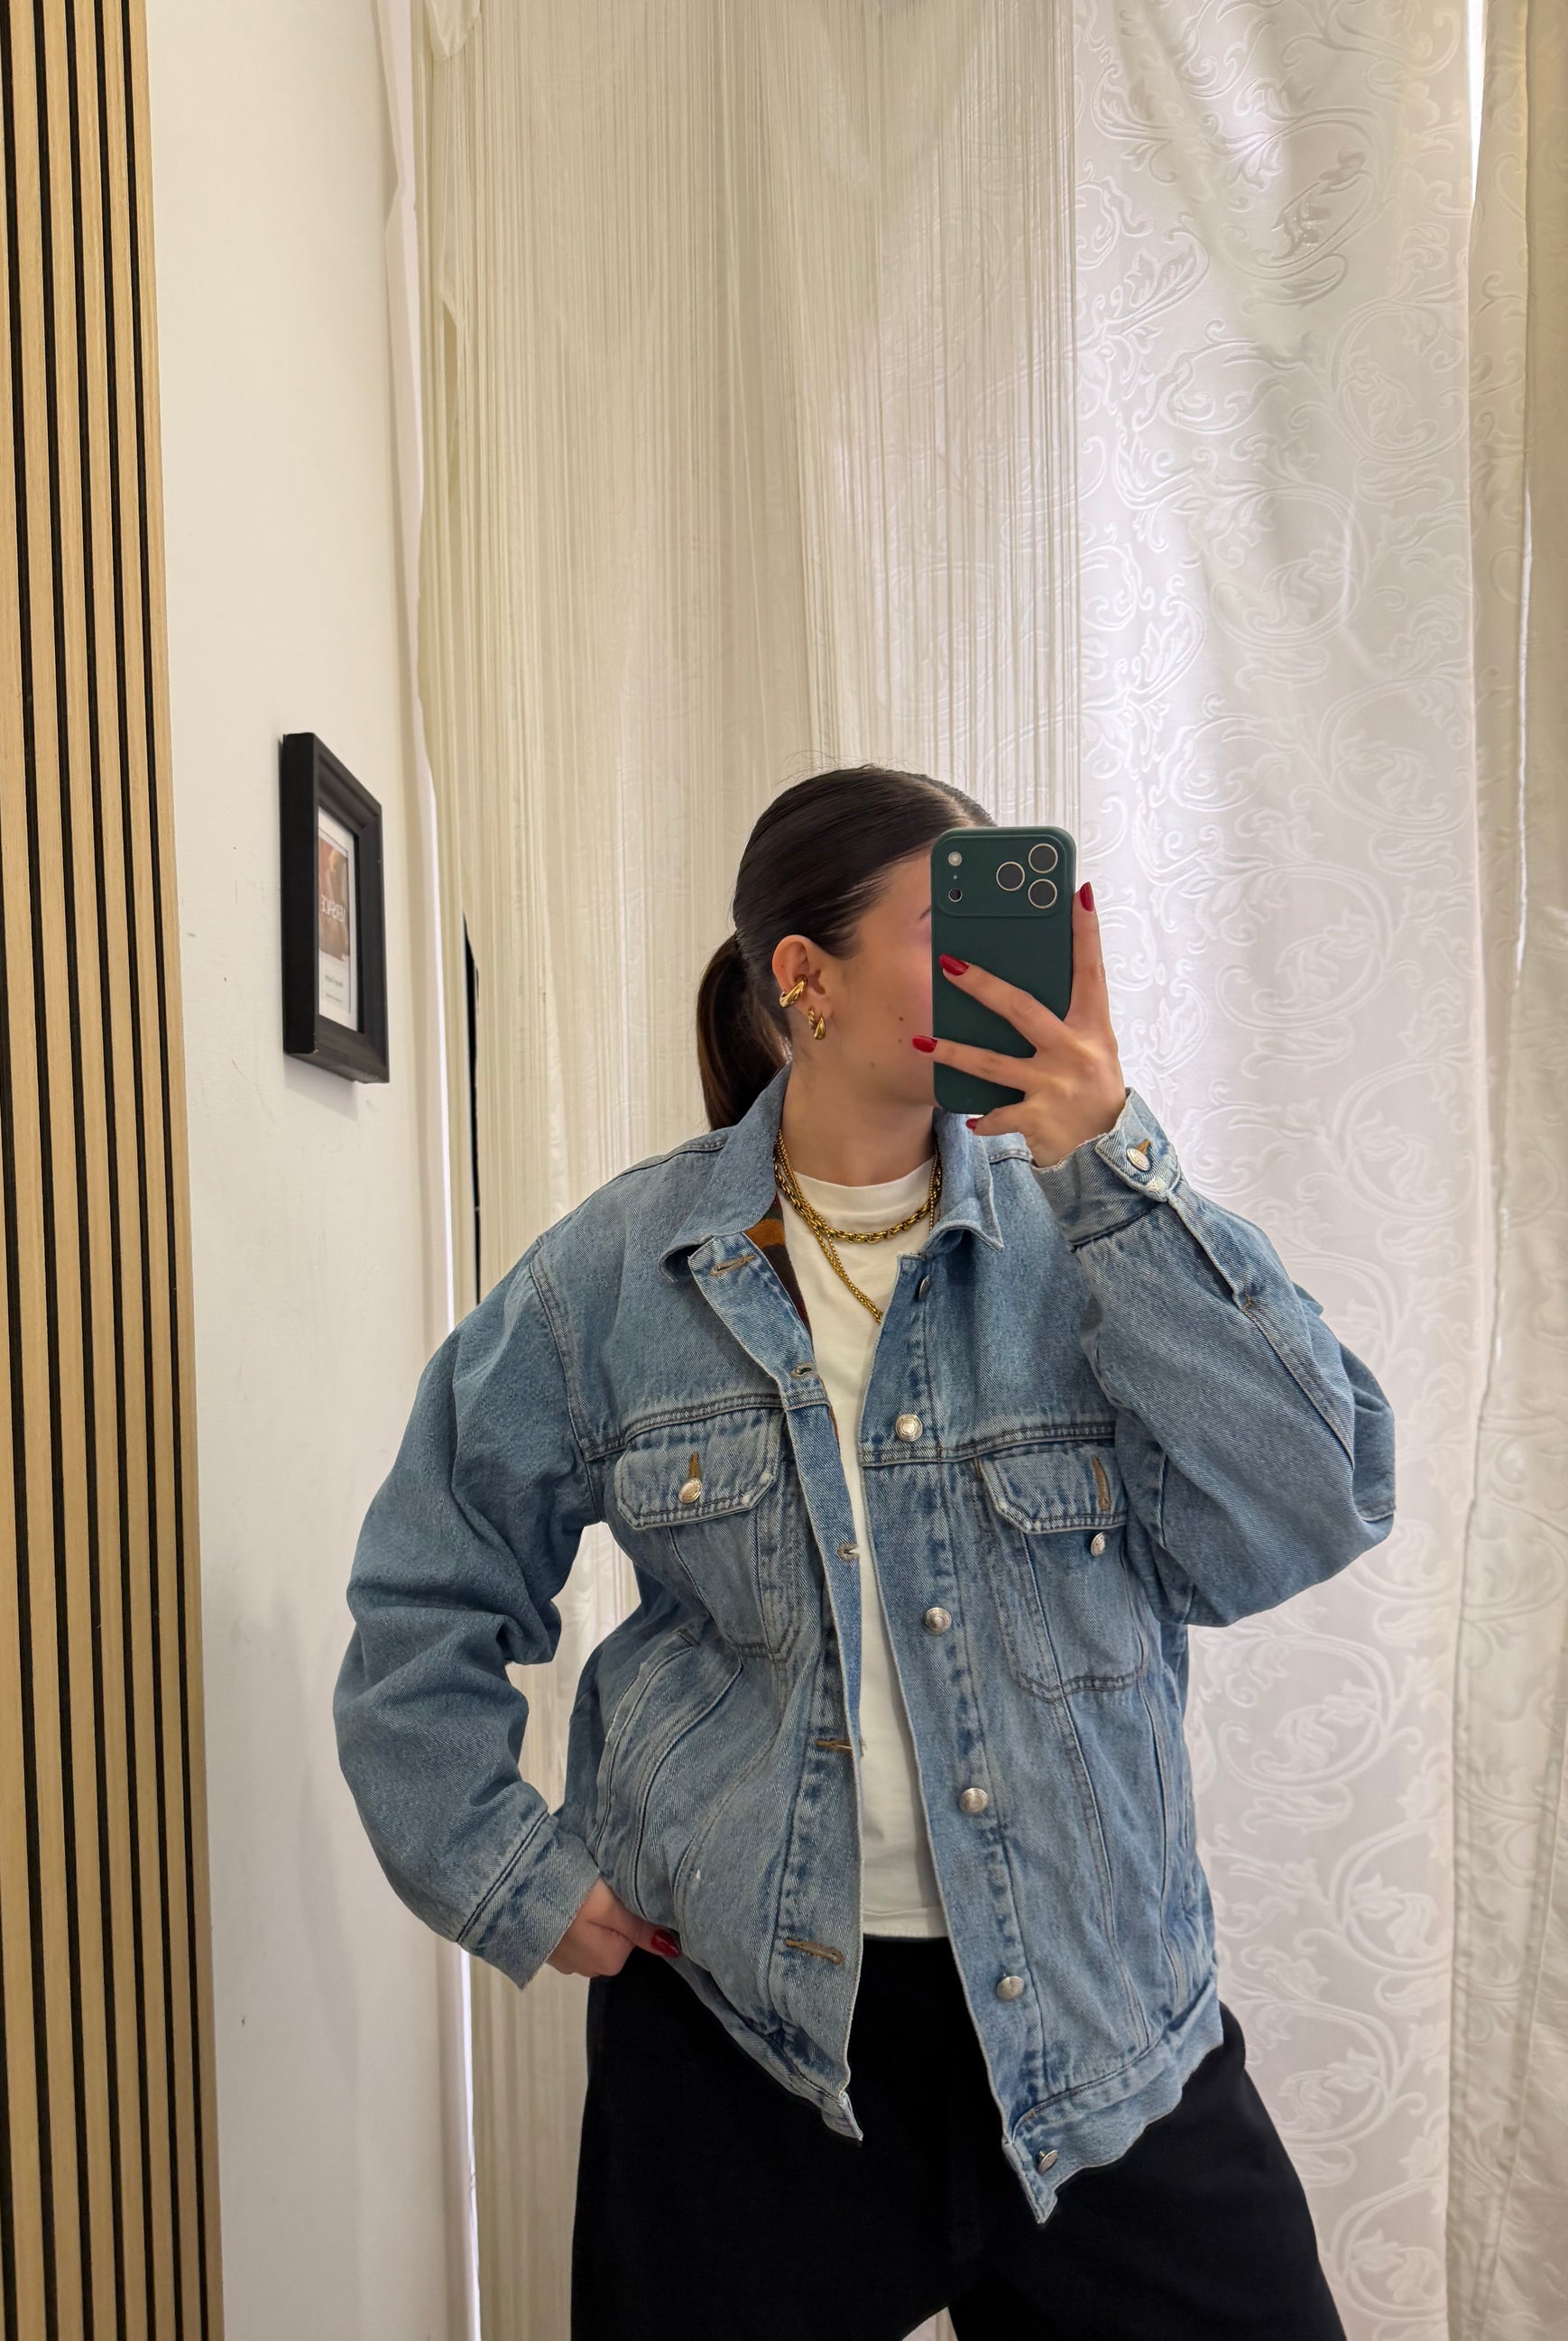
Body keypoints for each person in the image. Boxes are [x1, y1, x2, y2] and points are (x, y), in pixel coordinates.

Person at [334, 765, 1396, 2340]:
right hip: (747, 2049)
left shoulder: (1089, 1230)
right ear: (804, 976)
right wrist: (505, 1874)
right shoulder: (617, 1273)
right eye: (941, 923)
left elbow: (1311, 1507)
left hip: (1100, 2026)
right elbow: (427, 1590)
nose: (998, 968)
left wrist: (1114, 1162)